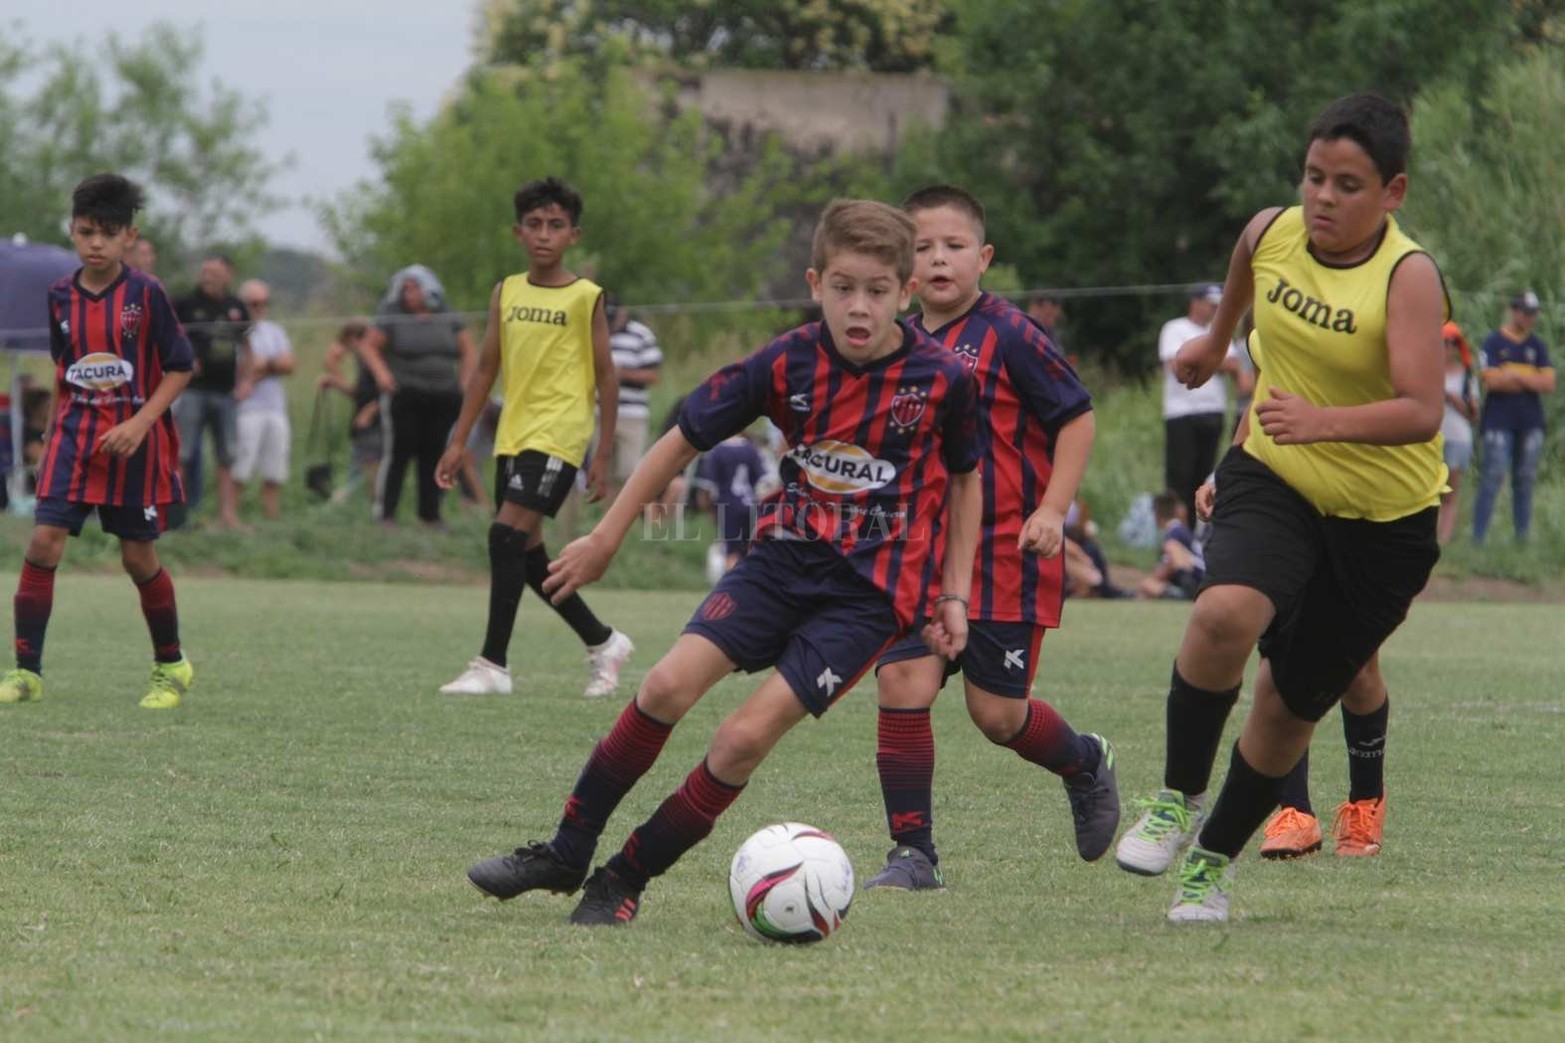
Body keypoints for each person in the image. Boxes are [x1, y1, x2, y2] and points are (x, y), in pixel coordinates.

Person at [463, 198, 984, 927]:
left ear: (905, 292)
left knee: (740, 738)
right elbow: (680, 437)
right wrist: (607, 535)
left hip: (867, 599)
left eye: (875, 290)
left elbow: (966, 477)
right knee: (665, 686)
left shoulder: (943, 380)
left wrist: (953, 593)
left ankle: (624, 876)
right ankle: (566, 849)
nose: (857, 307)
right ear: (814, 283)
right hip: (777, 562)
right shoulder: (786, 360)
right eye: (842, 287)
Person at [1113, 93, 1448, 922]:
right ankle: (1173, 796)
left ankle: (1210, 865)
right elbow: (1245, 263)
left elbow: (1421, 408)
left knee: (1286, 704)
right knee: (1224, 613)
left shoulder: (1406, 277)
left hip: (1384, 525)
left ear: (1392, 192)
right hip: (1277, 472)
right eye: (1312, 177)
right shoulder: (1273, 232)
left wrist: (1322, 421)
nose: (1322, 198)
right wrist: (1217, 338)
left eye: (1346, 184)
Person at [863, 185, 1117, 892]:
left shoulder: (1009, 333)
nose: (938, 259)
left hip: (1007, 553)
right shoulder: (894, 343)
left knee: (997, 715)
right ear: (901, 263)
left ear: (983, 256)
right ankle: (913, 854)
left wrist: (1054, 509)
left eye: (953, 246)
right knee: (902, 680)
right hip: (921, 559)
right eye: (921, 247)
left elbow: (1076, 419)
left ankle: (1083, 761)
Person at [434, 177, 634, 700]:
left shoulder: (586, 297)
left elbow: (607, 376)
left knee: (503, 536)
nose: (544, 234)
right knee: (526, 559)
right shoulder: (507, 290)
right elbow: (483, 371)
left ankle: (492, 665)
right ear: (518, 232)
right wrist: (458, 441)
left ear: (574, 235)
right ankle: (604, 642)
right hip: (513, 434)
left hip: (560, 431)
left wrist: (602, 453)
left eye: (556, 225)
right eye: (535, 225)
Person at [1, 174, 196, 709]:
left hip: (135, 441)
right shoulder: (59, 296)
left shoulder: (147, 294)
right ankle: (27, 672)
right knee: (43, 542)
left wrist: (138, 424)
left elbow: (181, 368)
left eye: (108, 234)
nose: (96, 243)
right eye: (86, 232)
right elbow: (65, 370)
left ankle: (170, 665)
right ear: (72, 231)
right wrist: (48, 438)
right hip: (75, 438)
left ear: (128, 238)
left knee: (137, 557)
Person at [359, 265, 475, 525]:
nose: (409, 294)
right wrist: (383, 375)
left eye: (414, 288)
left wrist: (465, 382)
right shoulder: (391, 315)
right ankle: (386, 514)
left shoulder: (447, 314)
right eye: (405, 289)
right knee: (398, 453)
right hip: (404, 394)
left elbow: (469, 350)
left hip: (443, 395)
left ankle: (430, 514)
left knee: (434, 453)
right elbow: (369, 346)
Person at [172, 253, 251, 529]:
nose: (207, 277)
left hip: (225, 393)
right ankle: (175, 516)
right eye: (204, 271)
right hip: (192, 391)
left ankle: (227, 517)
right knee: (180, 453)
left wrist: (247, 382)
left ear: (228, 275)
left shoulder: (237, 308)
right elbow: (167, 335)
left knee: (227, 455)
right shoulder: (184, 303)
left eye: (214, 273)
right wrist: (183, 359)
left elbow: (247, 347)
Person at [1471, 290, 1554, 545]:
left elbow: (1549, 382)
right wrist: (1529, 379)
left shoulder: (1537, 346)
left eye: (1533, 313)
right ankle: (1478, 538)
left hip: (1529, 422)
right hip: (1499, 421)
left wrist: (1512, 375)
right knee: (1492, 478)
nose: (1529, 318)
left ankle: (1521, 540)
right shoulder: (1494, 342)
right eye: (1525, 312)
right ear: (1514, 311)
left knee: (1525, 481)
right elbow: (1492, 381)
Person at [1159, 282, 1239, 523]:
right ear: (1195, 303)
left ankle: (1194, 536)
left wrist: (1202, 360)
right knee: (1179, 478)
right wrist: (1216, 359)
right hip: (1182, 413)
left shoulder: (1219, 331)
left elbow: (1234, 366)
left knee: (1204, 478)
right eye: (1211, 305)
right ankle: (1175, 534)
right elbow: (1176, 366)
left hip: (1213, 412)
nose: (1215, 310)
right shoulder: (1175, 328)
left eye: (1218, 305)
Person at [232, 279, 294, 520]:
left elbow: (289, 364)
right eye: (255, 303)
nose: (261, 308)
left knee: (275, 469)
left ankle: (271, 520)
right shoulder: (235, 331)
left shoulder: (274, 331)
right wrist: (270, 365)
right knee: (241, 466)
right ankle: (231, 517)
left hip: (275, 408)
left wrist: (261, 367)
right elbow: (241, 367)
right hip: (246, 409)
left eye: (264, 303)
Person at [606, 295, 663, 500]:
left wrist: (622, 374)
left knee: (630, 473)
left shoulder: (641, 335)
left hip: (631, 414)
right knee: (604, 474)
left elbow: (654, 375)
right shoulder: (596, 331)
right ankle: (606, 522)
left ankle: (627, 521)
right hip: (600, 413)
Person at [318, 320, 381, 501]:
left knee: (369, 468)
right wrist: (335, 381)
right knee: (359, 467)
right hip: (362, 424)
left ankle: (350, 501)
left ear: (353, 338)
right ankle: (350, 501)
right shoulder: (361, 360)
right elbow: (359, 393)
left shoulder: (372, 359)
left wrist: (370, 410)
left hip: (373, 423)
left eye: (345, 344)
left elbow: (387, 389)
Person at [1437, 320, 1478, 544]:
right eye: (1444, 342)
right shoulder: (1427, 372)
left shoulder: (1466, 376)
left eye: (1453, 342)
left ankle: (1444, 538)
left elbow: (1474, 414)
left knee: (1450, 491)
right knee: (1430, 490)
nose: (1448, 347)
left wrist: (1452, 399)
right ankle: (1430, 535)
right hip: (1432, 437)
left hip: (1458, 437)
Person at [1135, 490, 1205, 600]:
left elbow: (1171, 563)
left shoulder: (1174, 532)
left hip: (1195, 580)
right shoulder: (1181, 530)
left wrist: (1157, 577)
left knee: (1147, 585)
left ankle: (1179, 595)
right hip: (1203, 577)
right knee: (1150, 584)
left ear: (1156, 513)